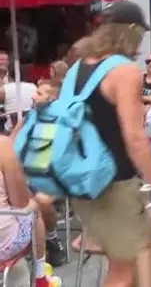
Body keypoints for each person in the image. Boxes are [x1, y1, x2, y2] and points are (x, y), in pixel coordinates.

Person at [72, 0, 151, 286]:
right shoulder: (125, 71)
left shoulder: (77, 68)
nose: (141, 41)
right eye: (140, 33)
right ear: (130, 30)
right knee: (122, 273)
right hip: (114, 183)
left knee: (125, 261)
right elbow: (135, 137)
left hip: (82, 182)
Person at [8, 80, 67, 268]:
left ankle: (51, 238)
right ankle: (17, 242)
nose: (33, 96)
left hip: (56, 177)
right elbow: (10, 143)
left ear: (53, 98)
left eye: (39, 94)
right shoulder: (29, 117)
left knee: (41, 200)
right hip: (26, 175)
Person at [0, 136, 62, 286]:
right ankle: (40, 276)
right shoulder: (3, 145)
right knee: (33, 208)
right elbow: (21, 203)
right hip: (5, 244)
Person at [0, 63, 37, 132]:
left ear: (9, 76)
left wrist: (1, 80)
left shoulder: (5, 89)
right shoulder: (33, 87)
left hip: (11, 129)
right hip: (30, 124)